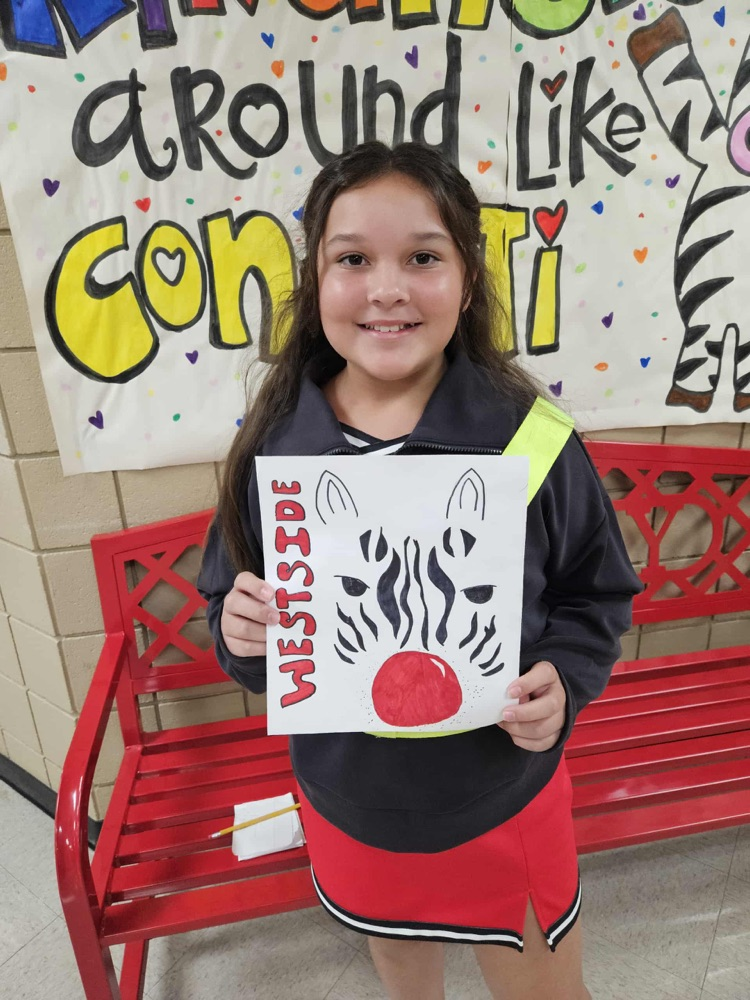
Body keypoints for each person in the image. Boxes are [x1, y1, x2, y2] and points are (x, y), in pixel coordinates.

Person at [197, 140, 642, 1000]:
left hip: (502, 796)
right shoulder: (273, 443)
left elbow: (597, 593)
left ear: (468, 280)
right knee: (408, 982)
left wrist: (565, 676)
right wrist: (242, 634)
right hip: (353, 805)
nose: (388, 288)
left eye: (424, 257)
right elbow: (237, 609)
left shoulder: (533, 438)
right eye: (353, 258)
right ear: (316, 282)